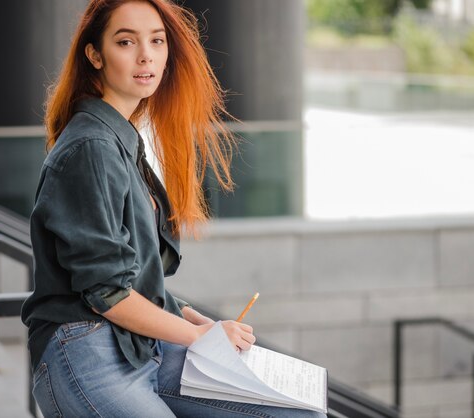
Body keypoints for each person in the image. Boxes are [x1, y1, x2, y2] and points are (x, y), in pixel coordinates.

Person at [20, 1, 326, 417]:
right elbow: (106, 293)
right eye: (126, 41)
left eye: (157, 41)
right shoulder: (92, 146)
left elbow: (134, 279)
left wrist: (201, 324)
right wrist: (198, 338)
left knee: (296, 412)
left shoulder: (121, 143)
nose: (146, 55)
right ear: (94, 55)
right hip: (86, 349)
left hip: (140, 346)